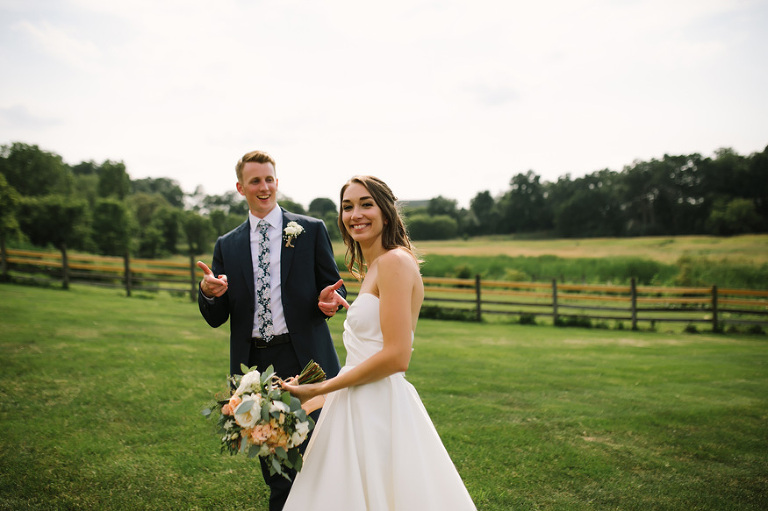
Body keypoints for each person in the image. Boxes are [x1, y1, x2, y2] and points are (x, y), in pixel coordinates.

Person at [280, 175, 476, 510]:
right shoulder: (373, 268)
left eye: (366, 204)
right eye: (347, 206)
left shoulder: (394, 262)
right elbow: (368, 349)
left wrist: (320, 389)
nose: (355, 213)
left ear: (386, 212)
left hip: (379, 410)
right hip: (354, 403)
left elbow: (397, 356)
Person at [197, 150, 348, 511]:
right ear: (240, 188)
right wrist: (208, 293)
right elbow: (217, 314)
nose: (264, 187)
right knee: (277, 466)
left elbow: (334, 286)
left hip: (308, 360)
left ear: (276, 182)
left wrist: (331, 300)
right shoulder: (227, 245)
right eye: (255, 181)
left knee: (321, 455)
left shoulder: (310, 230)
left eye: (269, 179)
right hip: (257, 369)